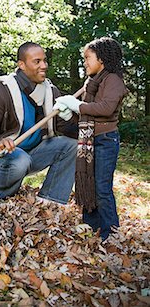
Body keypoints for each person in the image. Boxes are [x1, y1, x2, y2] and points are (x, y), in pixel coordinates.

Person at [0, 42, 78, 205]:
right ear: (21, 65)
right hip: (2, 158)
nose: (44, 65)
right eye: (37, 61)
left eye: (44, 61)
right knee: (20, 159)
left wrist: (77, 113)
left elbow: (66, 129)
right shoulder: (1, 91)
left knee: (71, 146)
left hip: (33, 154)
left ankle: (50, 201)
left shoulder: (51, 92)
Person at [54, 37, 127, 240]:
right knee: (89, 183)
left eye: (88, 58)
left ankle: (110, 234)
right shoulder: (92, 83)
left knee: (102, 188)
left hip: (105, 140)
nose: (85, 62)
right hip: (90, 140)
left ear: (101, 59)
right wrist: (70, 113)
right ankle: (90, 227)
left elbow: (105, 108)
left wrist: (76, 105)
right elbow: (87, 115)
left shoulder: (113, 79)